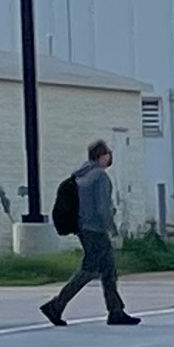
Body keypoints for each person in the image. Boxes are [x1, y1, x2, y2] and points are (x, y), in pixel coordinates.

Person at [41, 139, 140, 326]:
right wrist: (112, 229)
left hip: (84, 228)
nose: (110, 158)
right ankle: (56, 305)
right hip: (97, 230)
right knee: (88, 270)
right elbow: (103, 208)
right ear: (103, 156)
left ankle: (116, 311)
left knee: (109, 270)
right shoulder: (100, 176)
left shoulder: (81, 175)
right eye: (108, 155)